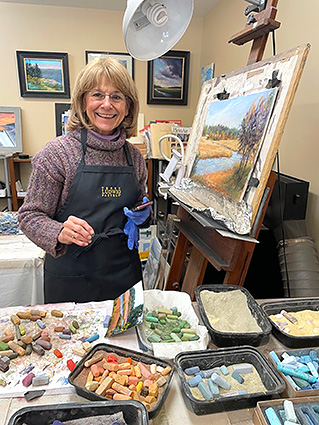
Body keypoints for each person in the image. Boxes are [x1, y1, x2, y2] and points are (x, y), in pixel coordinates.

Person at [18, 58, 151, 303]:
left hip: (125, 275)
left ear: (128, 107)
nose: (107, 105)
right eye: (97, 95)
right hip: (72, 278)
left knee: (125, 341)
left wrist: (143, 214)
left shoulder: (134, 157)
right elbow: (29, 216)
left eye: (117, 97)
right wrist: (58, 231)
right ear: (83, 101)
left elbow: (137, 205)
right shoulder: (57, 154)